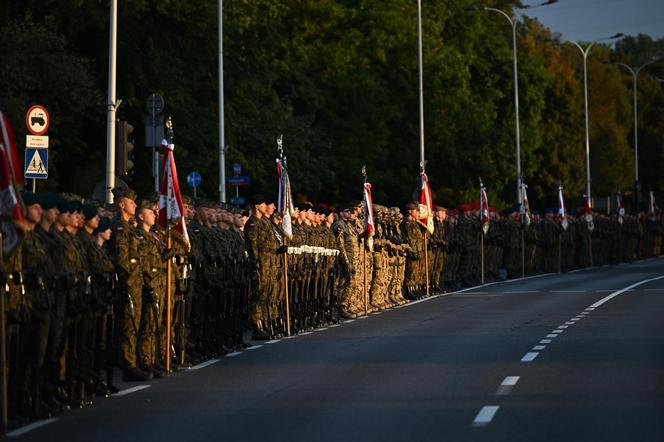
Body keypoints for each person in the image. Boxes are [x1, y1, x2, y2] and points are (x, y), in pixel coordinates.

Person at [108, 187, 153, 381]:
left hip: (135, 283)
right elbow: (122, 259)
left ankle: (134, 361)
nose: (134, 204)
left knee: (134, 324)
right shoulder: (119, 226)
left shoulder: (129, 228)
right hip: (127, 283)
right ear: (121, 204)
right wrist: (132, 275)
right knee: (128, 325)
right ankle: (129, 364)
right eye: (131, 201)